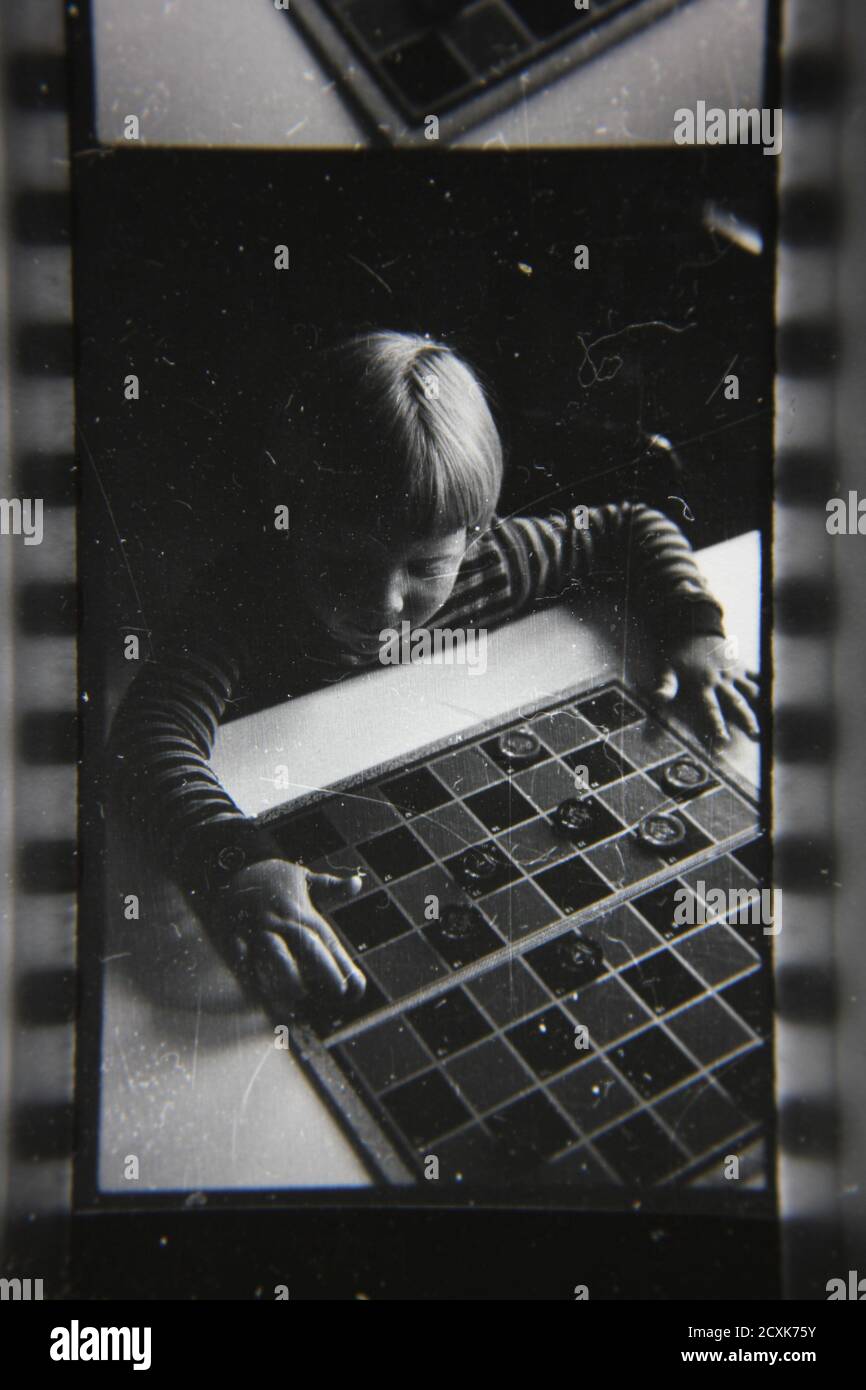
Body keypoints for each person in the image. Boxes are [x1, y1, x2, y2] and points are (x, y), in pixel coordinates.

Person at [107, 330, 760, 1007]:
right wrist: (234, 862)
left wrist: (695, 630)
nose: (386, 602)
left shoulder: (497, 561)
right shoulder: (241, 607)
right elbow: (146, 737)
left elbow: (633, 526)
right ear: (288, 524)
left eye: (424, 566)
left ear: (475, 533)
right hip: (299, 819)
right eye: (344, 565)